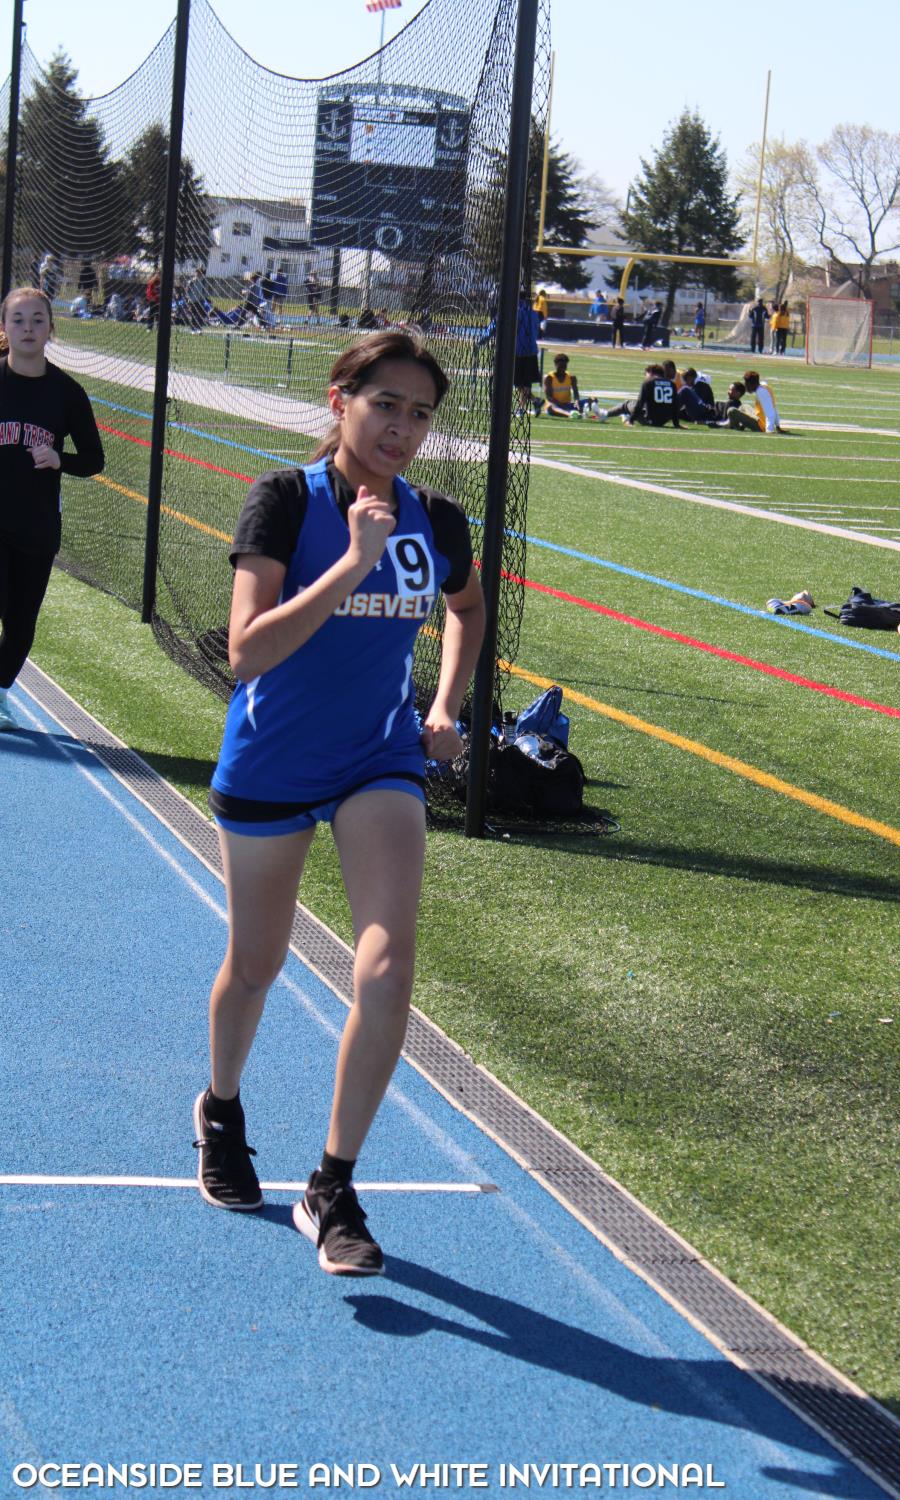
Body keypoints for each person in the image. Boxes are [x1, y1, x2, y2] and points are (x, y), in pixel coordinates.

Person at [194, 329, 486, 1275]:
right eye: (385, 405)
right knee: (255, 966)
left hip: (378, 759)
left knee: (389, 970)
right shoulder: (285, 500)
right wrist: (353, 564)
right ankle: (221, 1110)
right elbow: (247, 651)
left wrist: (444, 707)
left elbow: (467, 609)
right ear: (340, 401)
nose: (402, 428)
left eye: (420, 414)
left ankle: (332, 1186)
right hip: (273, 760)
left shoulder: (436, 519)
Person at [0, 287, 105, 731]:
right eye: (18, 320)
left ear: (51, 329)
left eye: (37, 320)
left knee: (21, 625)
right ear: (4, 328)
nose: (28, 328)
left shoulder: (66, 393)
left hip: (37, 528)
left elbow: (94, 459)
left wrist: (60, 459)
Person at [607, 362, 680, 428]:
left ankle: (605, 414)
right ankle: (624, 415)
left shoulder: (648, 382)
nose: (645, 376)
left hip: (648, 420)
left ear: (650, 372)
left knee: (626, 404)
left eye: (645, 374)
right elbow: (675, 406)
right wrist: (676, 424)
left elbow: (640, 404)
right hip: (663, 422)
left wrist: (631, 420)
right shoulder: (672, 384)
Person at [537, 352, 603, 419]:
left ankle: (591, 412)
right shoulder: (549, 378)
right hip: (555, 405)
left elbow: (576, 393)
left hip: (567, 405)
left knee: (593, 399)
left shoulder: (571, 378)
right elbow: (549, 397)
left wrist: (577, 402)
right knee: (551, 408)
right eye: (560, 366)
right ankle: (571, 414)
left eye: (564, 366)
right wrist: (560, 403)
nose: (562, 368)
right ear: (555, 364)